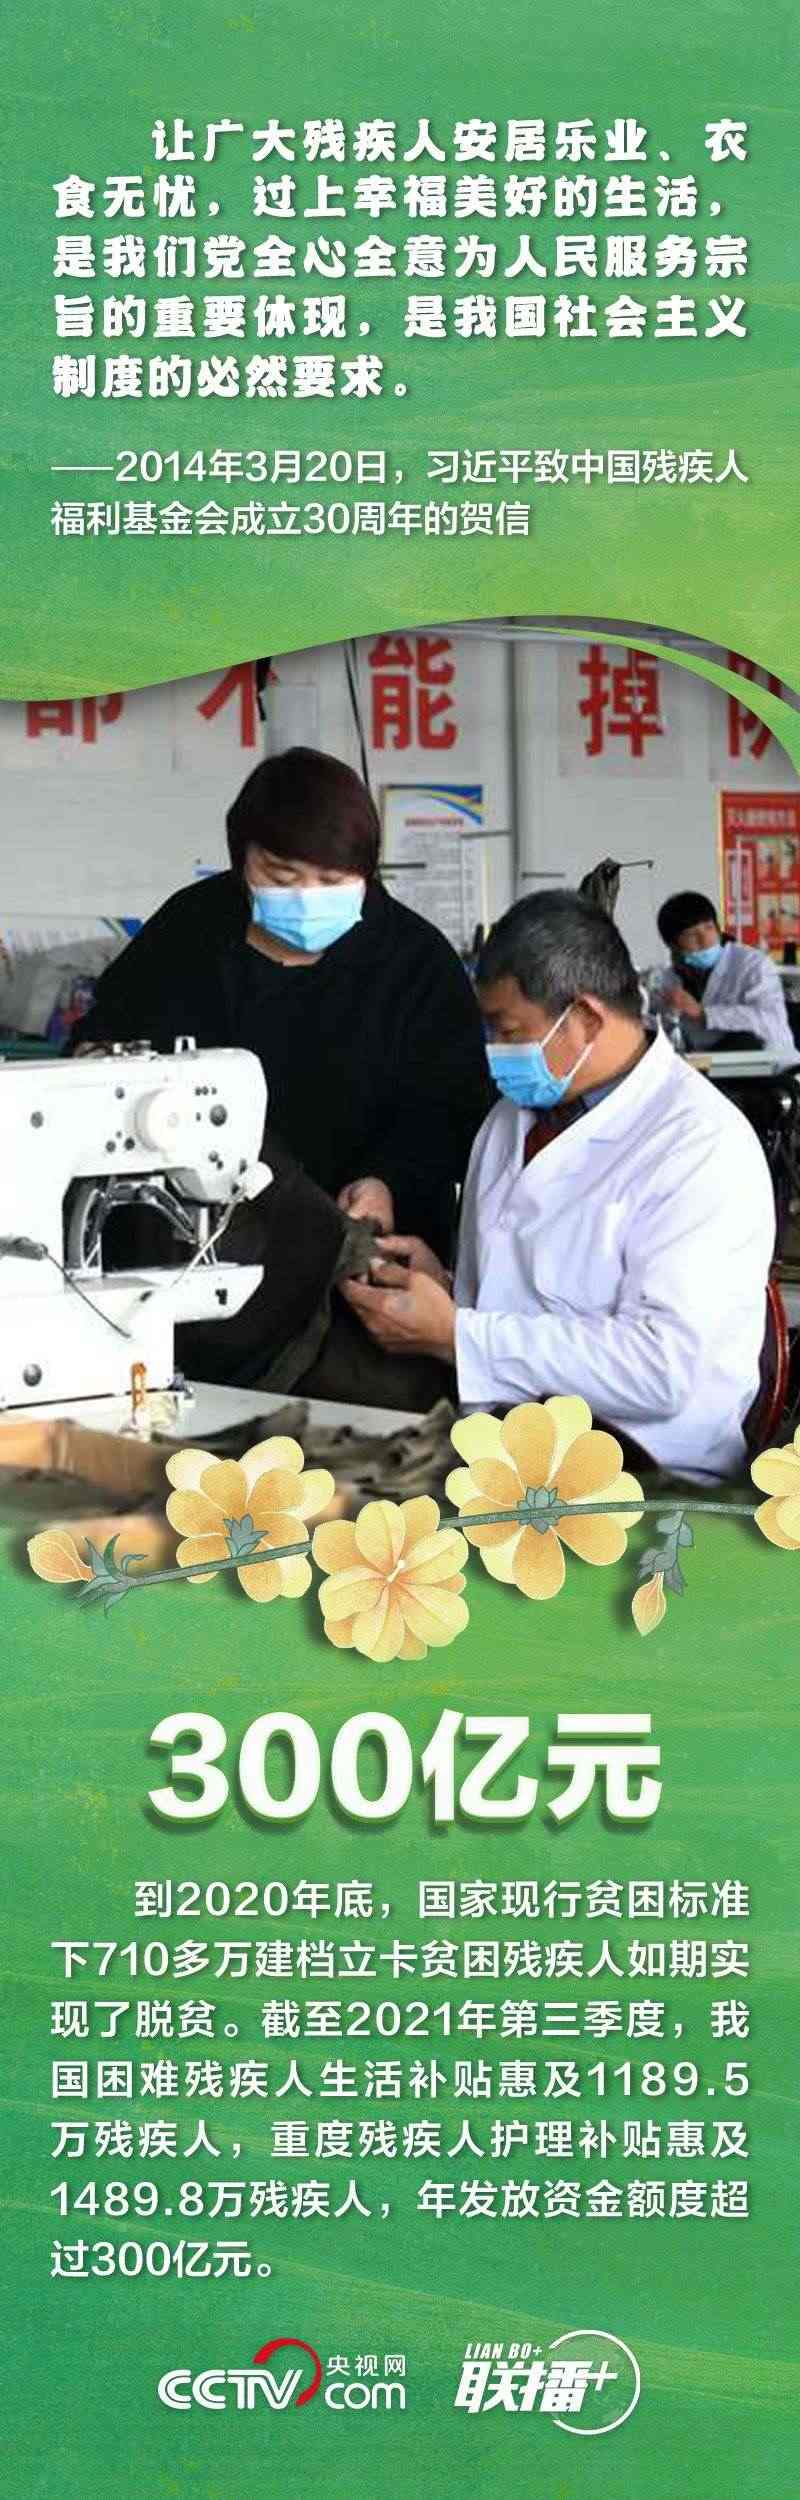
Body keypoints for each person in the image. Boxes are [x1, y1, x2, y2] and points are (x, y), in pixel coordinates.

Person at [340, 891, 776, 1477]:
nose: (494, 1051)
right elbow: (517, 1297)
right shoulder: (511, 1118)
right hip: (505, 1451)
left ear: (586, 1019)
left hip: (645, 1472)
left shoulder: (700, 1145)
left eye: (508, 1030)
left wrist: (459, 1335)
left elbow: (664, 1369)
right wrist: (441, 1286)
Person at [75, 745, 492, 1263]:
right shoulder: (188, 932)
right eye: (280, 877)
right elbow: (103, 1052)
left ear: (366, 872)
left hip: (361, 1253)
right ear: (240, 860)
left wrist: (390, 1180)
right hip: (189, 1244)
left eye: (332, 882)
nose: (306, 896)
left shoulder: (416, 963)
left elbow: (453, 1110)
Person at [656, 889, 796, 1063]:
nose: (705, 940)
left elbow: (767, 1019)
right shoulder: (671, 978)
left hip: (771, 1063)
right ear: (673, 945)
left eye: (709, 928)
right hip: (708, 1063)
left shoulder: (753, 964)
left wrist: (704, 1014)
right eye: (692, 935)